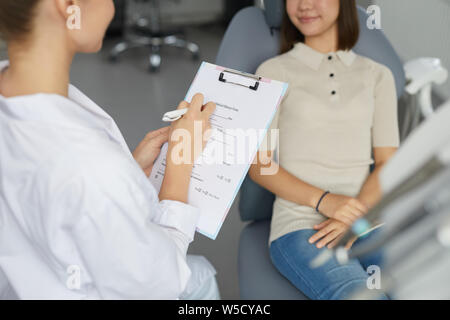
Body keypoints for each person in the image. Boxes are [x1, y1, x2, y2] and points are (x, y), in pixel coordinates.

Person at [0, 0, 219, 299]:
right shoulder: (90, 165)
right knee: (199, 276)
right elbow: (161, 285)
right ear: (68, 5)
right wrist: (179, 167)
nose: (113, 8)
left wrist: (126, 173)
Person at [249, 0, 399, 299]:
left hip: (370, 219)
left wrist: (352, 213)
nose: (305, 5)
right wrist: (327, 202)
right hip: (300, 226)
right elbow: (260, 164)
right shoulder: (272, 71)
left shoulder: (377, 75)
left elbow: (387, 162)